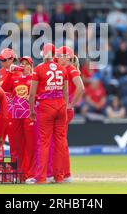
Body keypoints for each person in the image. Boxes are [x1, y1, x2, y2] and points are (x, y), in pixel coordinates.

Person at [28, 43, 68, 184]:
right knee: (60, 142)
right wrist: (65, 107)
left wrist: (31, 109)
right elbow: (65, 92)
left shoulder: (38, 69)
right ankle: (59, 177)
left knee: (44, 142)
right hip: (61, 105)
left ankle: (41, 177)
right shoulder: (62, 69)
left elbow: (32, 94)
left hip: (46, 106)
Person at [50, 46, 84, 183]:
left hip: (65, 109)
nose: (60, 58)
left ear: (69, 58)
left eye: (63, 56)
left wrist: (71, 104)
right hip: (63, 108)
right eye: (59, 56)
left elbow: (81, 88)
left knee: (60, 142)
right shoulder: (65, 70)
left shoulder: (70, 69)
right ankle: (63, 172)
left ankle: (65, 173)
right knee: (61, 142)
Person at [1, 56, 37, 182]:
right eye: (22, 63)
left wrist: (34, 97)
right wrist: (10, 74)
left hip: (29, 114)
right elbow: (4, 89)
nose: (24, 66)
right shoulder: (15, 77)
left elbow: (41, 92)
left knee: (31, 145)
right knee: (18, 145)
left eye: (26, 64)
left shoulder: (34, 77)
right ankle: (20, 173)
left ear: (31, 66)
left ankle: (32, 174)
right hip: (16, 115)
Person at [0, 48, 18, 169]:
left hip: (14, 112)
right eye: (0, 59)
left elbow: (8, 88)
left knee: (15, 143)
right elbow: (4, 87)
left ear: (11, 59)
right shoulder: (2, 70)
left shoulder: (19, 71)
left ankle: (15, 170)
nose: (1, 62)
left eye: (3, 60)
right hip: (2, 110)